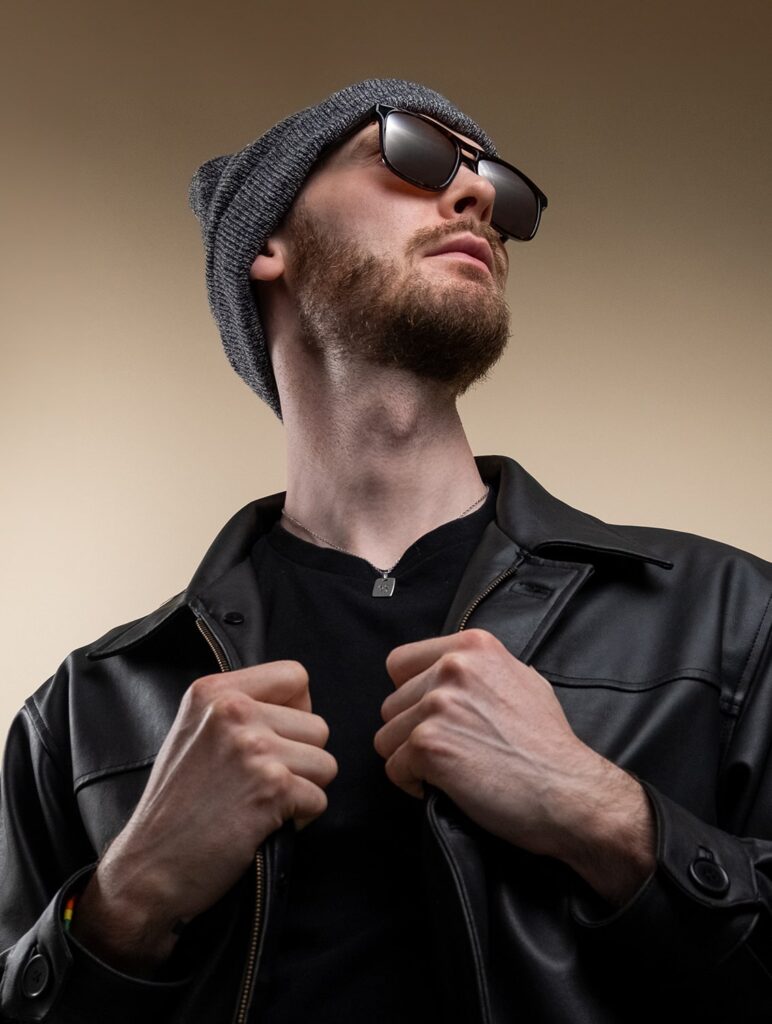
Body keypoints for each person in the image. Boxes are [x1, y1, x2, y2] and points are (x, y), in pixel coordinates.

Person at [1, 78, 770, 1024]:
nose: (478, 195)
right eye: (409, 153)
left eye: (494, 183)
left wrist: (606, 817)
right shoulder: (82, 714)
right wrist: (127, 901)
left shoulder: (729, 621)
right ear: (267, 243)